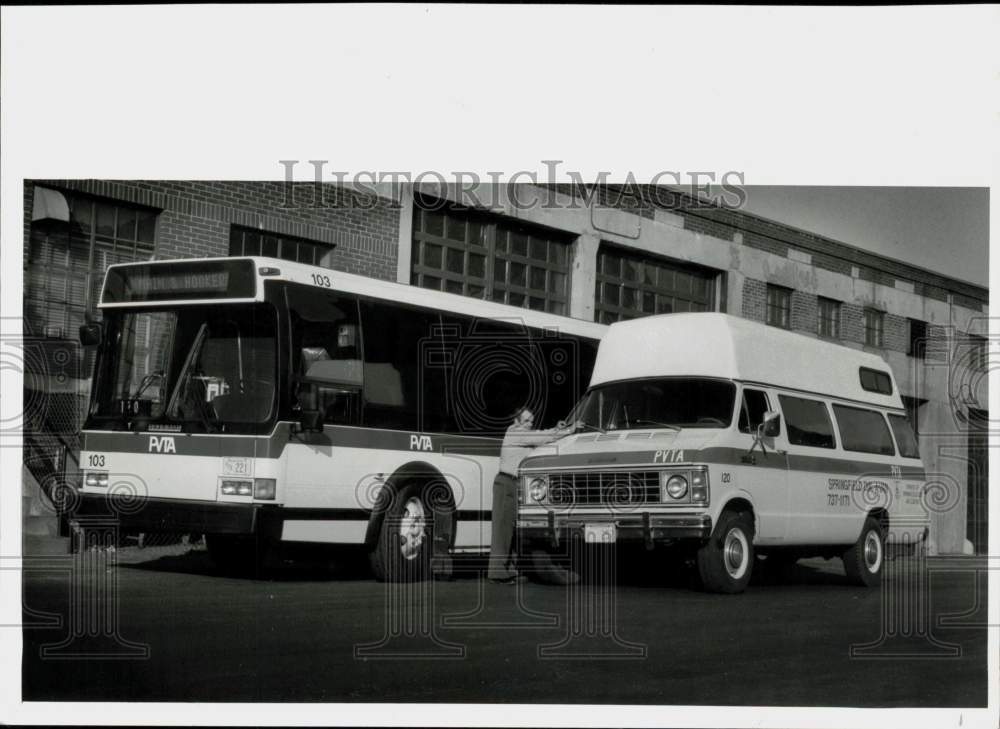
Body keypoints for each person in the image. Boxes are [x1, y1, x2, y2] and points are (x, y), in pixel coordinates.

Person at [488, 406, 574, 584]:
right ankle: (497, 574)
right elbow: (542, 437)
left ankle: (508, 570)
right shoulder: (514, 433)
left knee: (510, 529)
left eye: (531, 421)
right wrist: (568, 430)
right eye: (526, 421)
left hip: (514, 485)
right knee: (502, 531)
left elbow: (540, 434)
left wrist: (557, 428)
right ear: (516, 421)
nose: (529, 424)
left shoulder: (524, 435)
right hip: (506, 483)